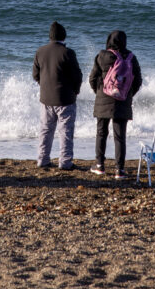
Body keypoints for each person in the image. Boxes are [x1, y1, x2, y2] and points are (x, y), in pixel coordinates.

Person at [88, 30, 142, 179]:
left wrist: (99, 93)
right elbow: (137, 81)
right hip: (122, 101)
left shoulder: (102, 56)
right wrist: (127, 95)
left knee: (101, 133)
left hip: (103, 100)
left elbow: (92, 78)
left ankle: (99, 165)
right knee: (120, 137)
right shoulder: (131, 58)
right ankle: (119, 170)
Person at [32, 21, 83, 170]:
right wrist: (76, 90)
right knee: (65, 131)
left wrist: (45, 86)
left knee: (46, 130)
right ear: (64, 36)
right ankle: (65, 162)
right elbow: (77, 76)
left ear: (50, 36)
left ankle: (42, 159)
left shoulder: (40, 51)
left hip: (46, 98)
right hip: (65, 98)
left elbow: (35, 75)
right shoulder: (68, 53)